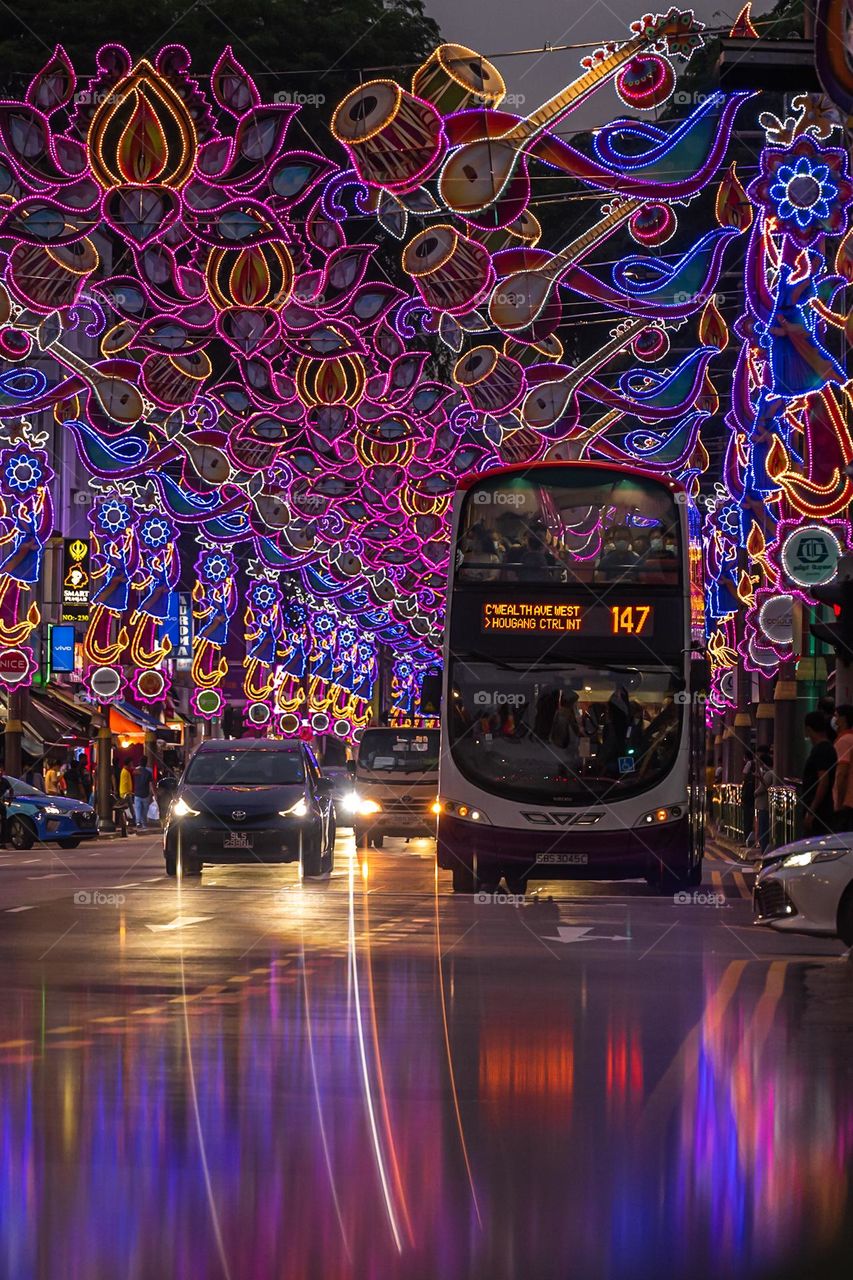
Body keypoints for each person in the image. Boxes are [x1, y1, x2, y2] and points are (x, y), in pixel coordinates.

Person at [800, 711, 837, 837]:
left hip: (820, 812)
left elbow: (823, 781)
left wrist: (812, 810)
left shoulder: (822, 749)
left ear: (808, 729)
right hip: (821, 809)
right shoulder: (827, 748)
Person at [831, 704, 853, 829]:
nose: (834, 720)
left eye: (836, 716)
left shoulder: (844, 741)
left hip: (845, 804)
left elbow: (841, 775)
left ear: (843, 719)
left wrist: (838, 804)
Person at [752, 747, 775, 853]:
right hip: (765, 805)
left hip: (764, 805)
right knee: (763, 828)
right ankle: (763, 848)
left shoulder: (769, 774)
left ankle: (764, 849)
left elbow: (763, 788)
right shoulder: (771, 773)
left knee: (763, 829)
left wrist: (755, 793)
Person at [132, 757, 155, 831]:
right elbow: (151, 784)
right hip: (145, 794)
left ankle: (138, 822)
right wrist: (154, 794)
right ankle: (144, 823)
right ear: (146, 763)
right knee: (145, 810)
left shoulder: (136, 771)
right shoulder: (148, 773)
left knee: (137, 809)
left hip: (137, 793)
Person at [0, 764, 13, 848]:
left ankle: (3, 842)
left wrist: (10, 800)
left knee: (4, 822)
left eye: (1, 770)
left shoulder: (4, 781)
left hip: (1, 803)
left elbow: (11, 789)